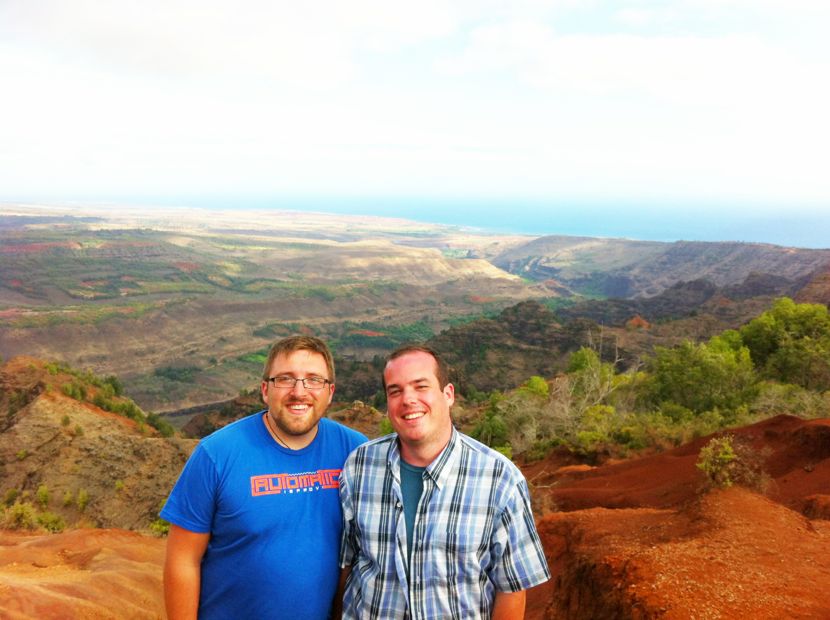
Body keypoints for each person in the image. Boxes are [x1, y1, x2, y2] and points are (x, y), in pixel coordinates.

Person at [161, 335, 367, 620]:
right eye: (285, 379)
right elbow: (183, 560)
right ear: (264, 390)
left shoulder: (356, 452)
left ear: (330, 392)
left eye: (313, 379)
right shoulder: (216, 454)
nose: (299, 391)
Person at [337, 345, 550, 619]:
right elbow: (347, 565)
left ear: (448, 394)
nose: (408, 399)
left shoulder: (500, 479)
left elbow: (511, 589)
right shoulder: (360, 466)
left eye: (421, 386)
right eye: (395, 391)